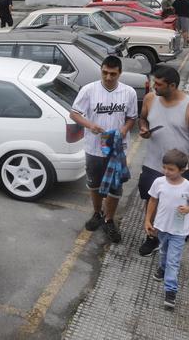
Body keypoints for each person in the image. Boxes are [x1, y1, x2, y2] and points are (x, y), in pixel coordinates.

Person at [70, 56, 138, 244]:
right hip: (93, 147)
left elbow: (132, 117)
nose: (108, 77)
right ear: (101, 70)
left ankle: (109, 219)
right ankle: (97, 213)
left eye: (113, 74)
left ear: (120, 73)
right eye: (105, 72)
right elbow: (74, 113)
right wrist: (90, 125)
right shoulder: (89, 90)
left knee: (115, 186)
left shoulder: (129, 92)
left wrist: (123, 130)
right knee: (94, 184)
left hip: (117, 149)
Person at [137, 65, 189, 257]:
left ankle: (179, 230)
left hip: (179, 168)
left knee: (177, 204)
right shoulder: (150, 99)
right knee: (151, 200)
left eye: (158, 84)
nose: (154, 87)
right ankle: (152, 237)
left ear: (172, 85)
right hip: (152, 163)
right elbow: (142, 119)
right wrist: (143, 129)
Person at [144, 148, 189, 310]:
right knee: (163, 251)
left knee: (173, 261)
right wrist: (148, 220)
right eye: (165, 168)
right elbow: (153, 200)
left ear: (182, 170)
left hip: (179, 230)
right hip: (162, 226)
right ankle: (162, 268)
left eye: (171, 169)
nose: (166, 172)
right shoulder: (158, 182)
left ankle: (170, 291)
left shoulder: (188, 186)